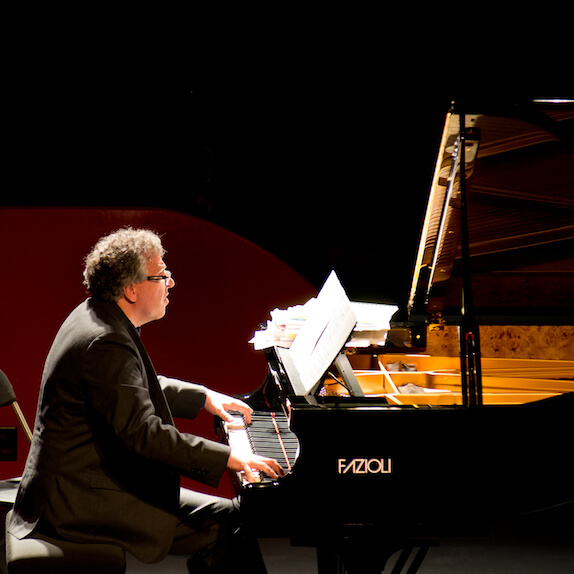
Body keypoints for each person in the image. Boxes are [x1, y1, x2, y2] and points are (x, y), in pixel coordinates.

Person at [8, 227, 284, 573]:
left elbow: (125, 389)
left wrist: (203, 398)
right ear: (132, 289)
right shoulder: (105, 341)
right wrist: (229, 457)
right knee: (227, 524)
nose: (171, 283)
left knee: (229, 519)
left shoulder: (99, 315)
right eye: (162, 275)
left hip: (78, 483)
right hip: (77, 501)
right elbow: (145, 435)